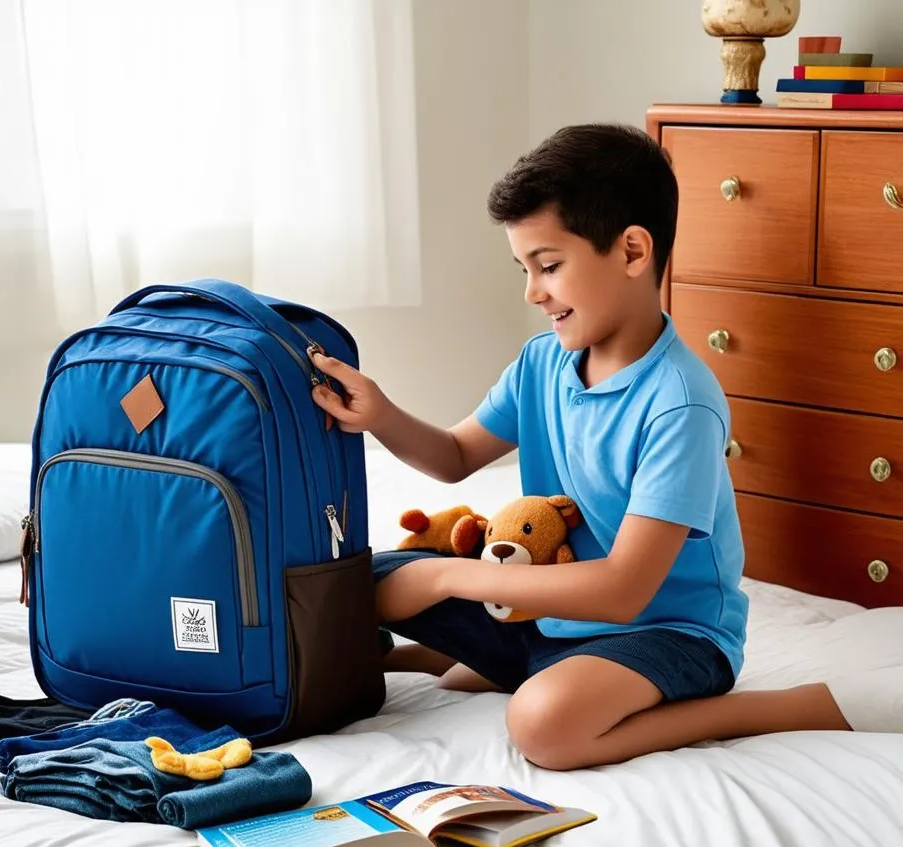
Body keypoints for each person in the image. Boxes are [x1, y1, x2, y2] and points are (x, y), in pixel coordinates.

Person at [309, 123, 851, 771]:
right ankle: (490, 662)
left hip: (663, 632)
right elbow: (455, 456)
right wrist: (380, 414)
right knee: (363, 585)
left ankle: (784, 707)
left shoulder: (680, 402)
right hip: (546, 614)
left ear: (631, 252)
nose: (533, 292)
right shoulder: (542, 364)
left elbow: (624, 592)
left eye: (549, 266)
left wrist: (450, 573)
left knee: (545, 728)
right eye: (525, 269)